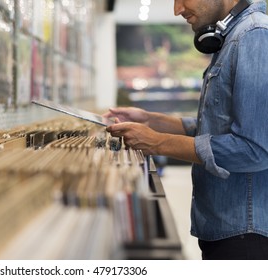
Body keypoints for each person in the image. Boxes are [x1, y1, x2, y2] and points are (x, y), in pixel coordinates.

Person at [104, 0, 268, 260]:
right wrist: (151, 120)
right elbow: (218, 125)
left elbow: (255, 149)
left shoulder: (254, 35)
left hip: (245, 235)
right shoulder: (234, 36)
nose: (177, 9)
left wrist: (157, 143)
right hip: (226, 227)